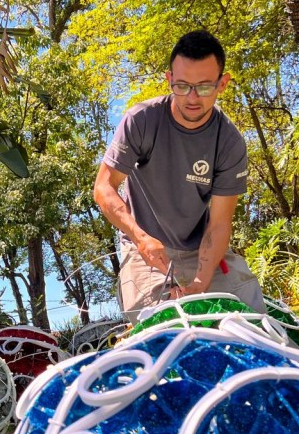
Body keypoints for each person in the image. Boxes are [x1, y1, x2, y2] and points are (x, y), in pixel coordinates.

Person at [93, 29, 265, 322]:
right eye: (183, 85)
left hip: (203, 250)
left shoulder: (229, 141)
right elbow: (103, 188)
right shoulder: (141, 121)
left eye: (204, 87)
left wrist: (200, 282)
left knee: (251, 321)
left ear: (222, 84)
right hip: (146, 250)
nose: (192, 97)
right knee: (161, 326)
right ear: (169, 79)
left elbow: (220, 223)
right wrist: (141, 238)